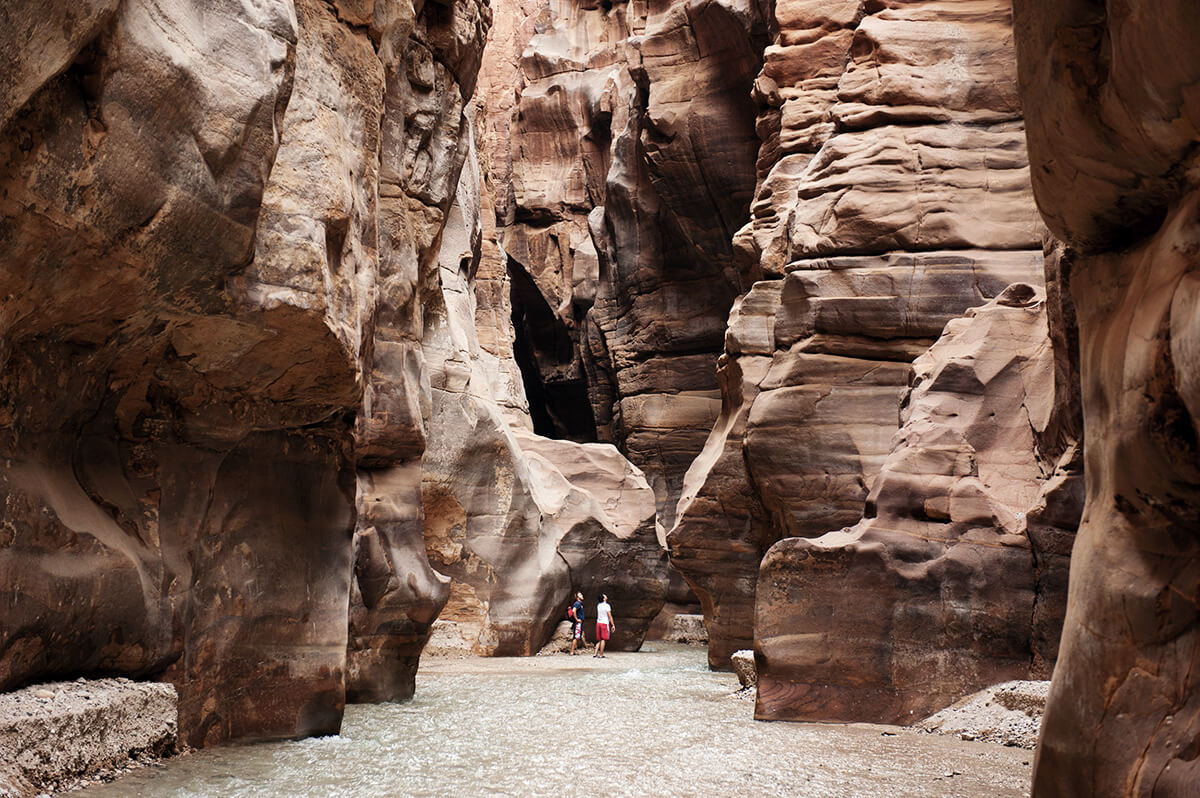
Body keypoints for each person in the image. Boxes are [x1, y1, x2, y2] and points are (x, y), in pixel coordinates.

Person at [593, 594, 614, 658]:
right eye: (605, 596)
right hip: (604, 623)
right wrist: (613, 625)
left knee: (599, 639)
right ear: (604, 598)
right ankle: (601, 654)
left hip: (598, 623)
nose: (606, 596)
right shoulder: (607, 606)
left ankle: (595, 653)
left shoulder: (598, 605)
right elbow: (609, 616)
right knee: (603, 639)